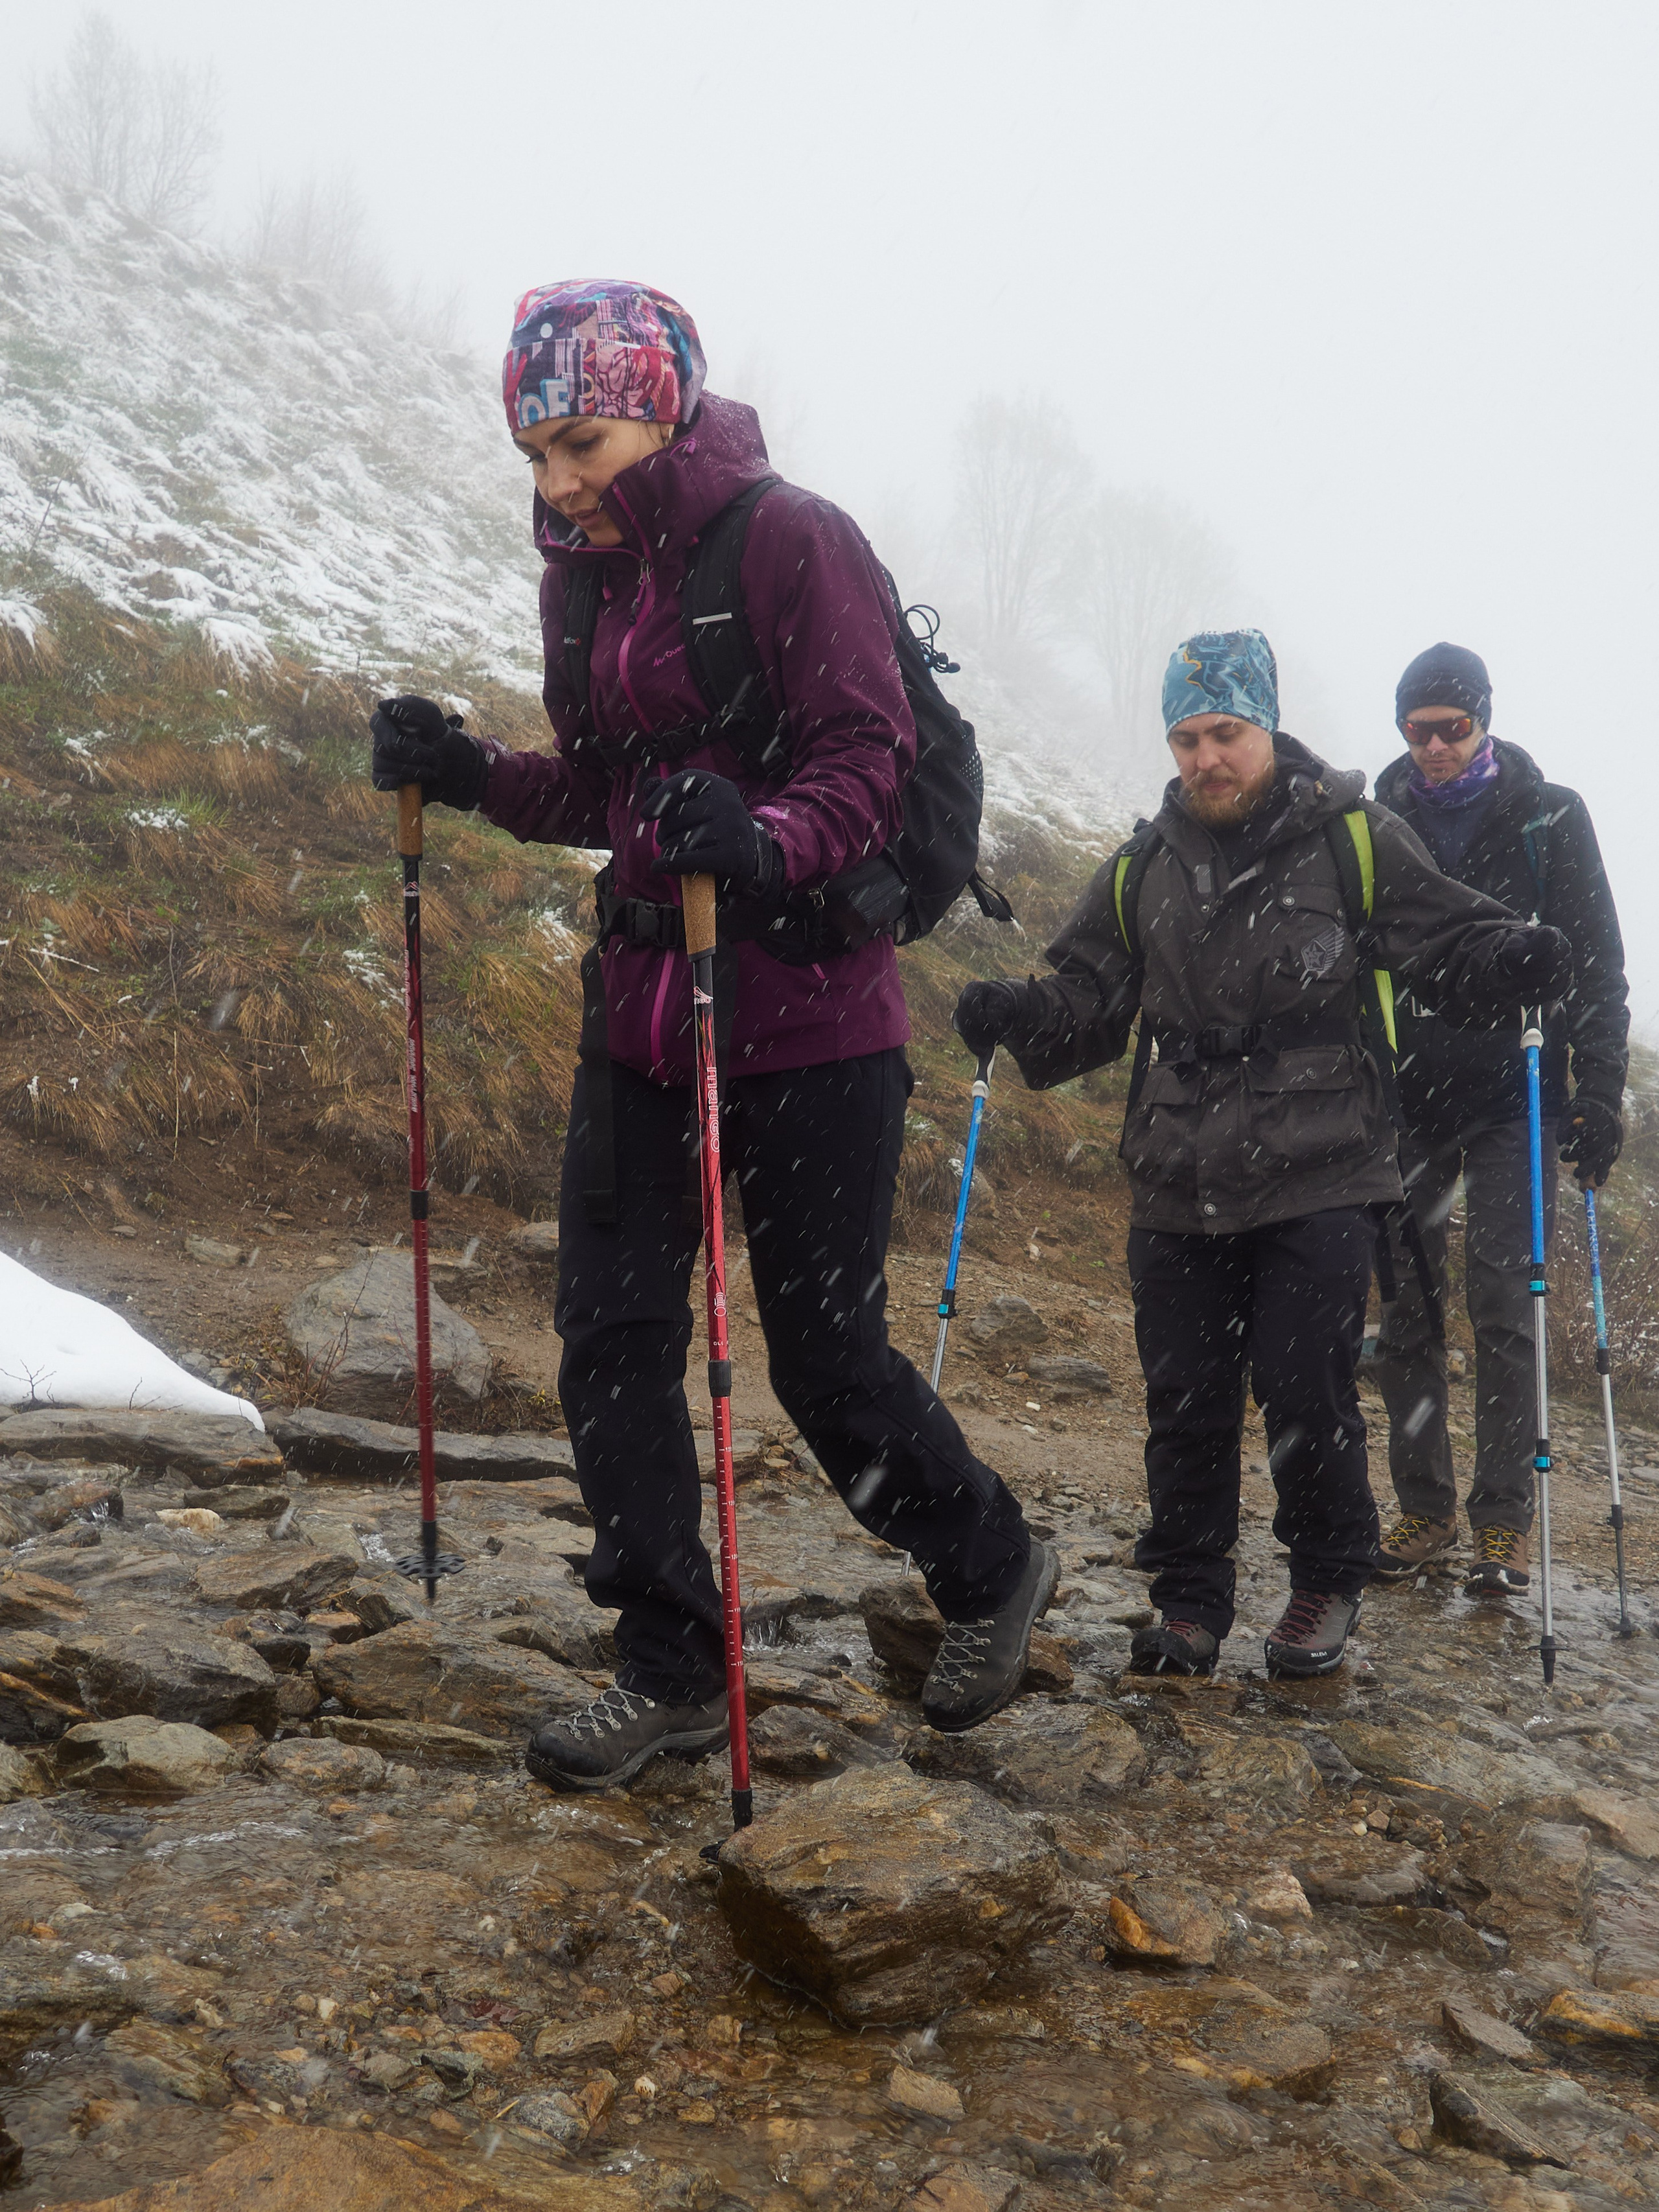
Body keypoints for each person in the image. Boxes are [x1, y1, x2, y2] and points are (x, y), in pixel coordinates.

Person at [367, 281, 1054, 1791]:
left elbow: (863, 767)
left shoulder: (793, 538)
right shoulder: (584, 576)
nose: (555, 483)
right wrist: (473, 771)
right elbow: (606, 794)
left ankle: (991, 1562)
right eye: (534, 451)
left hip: (810, 1018)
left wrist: (762, 838)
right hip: (638, 1019)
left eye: (582, 442)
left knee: (821, 1359)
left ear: (661, 410)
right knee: (610, 1344)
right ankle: (671, 1666)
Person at [953, 629, 1571, 1679]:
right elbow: (1089, 994)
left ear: (1268, 726)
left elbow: (1446, 936)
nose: (1205, 758)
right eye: (1187, 737)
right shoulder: (1144, 861)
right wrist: (1018, 1007)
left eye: (1226, 733)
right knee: (1183, 1397)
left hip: (1323, 1163)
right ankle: (1190, 1601)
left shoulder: (1354, 837)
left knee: (1307, 1386)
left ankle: (1327, 1581)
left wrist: (1513, 953)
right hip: (1177, 1166)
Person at [1369, 643, 1629, 1594]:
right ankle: (1425, 1509)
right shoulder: (1377, 819)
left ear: (1484, 720)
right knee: (1406, 1305)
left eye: (1452, 727)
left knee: (1504, 1304)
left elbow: (1599, 963)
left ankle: (1502, 1523)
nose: (1433, 746)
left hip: (1518, 1093)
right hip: (1405, 1094)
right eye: (1416, 728)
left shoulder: (1550, 817)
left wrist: (1599, 1093)